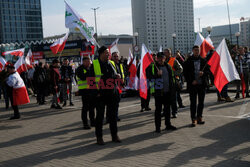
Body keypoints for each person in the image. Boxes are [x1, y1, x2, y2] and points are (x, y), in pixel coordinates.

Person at [93, 46, 121, 145]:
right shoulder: (95, 64)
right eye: (106, 52)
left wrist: (118, 76)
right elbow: (91, 80)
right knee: (100, 117)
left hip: (112, 94)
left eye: (108, 52)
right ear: (100, 54)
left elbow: (115, 75)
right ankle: (99, 137)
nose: (108, 54)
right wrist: (96, 93)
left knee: (113, 116)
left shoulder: (112, 63)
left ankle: (114, 135)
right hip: (100, 95)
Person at [183, 45, 209, 127]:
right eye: (195, 50)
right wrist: (191, 81)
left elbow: (208, 71)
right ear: (192, 51)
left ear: (200, 51)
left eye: (198, 50)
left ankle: (199, 117)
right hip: (192, 85)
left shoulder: (203, 60)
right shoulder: (188, 61)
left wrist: (203, 73)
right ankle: (193, 119)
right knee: (193, 103)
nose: (196, 51)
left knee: (201, 102)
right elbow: (185, 73)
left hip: (201, 85)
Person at [153, 52, 177, 133]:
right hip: (159, 93)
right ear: (156, 59)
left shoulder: (168, 66)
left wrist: (173, 89)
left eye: (162, 58)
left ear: (164, 58)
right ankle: (158, 127)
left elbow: (172, 78)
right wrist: (157, 75)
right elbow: (149, 78)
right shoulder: (153, 67)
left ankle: (168, 124)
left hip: (168, 92)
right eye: (159, 58)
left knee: (167, 110)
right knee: (158, 111)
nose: (160, 59)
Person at [76, 56, 96, 129]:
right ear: (83, 62)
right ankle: (85, 123)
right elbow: (83, 77)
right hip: (84, 91)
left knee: (92, 107)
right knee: (85, 107)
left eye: (89, 61)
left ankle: (92, 121)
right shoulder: (79, 69)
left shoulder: (91, 68)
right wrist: (89, 71)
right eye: (87, 61)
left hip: (91, 90)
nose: (89, 63)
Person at [164, 48, 183, 117]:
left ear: (170, 53)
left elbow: (180, 69)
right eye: (164, 53)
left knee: (173, 98)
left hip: (173, 82)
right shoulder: (162, 61)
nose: (165, 54)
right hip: (165, 83)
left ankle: (174, 112)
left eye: (167, 53)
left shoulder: (174, 60)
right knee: (165, 99)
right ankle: (165, 111)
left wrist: (173, 73)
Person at [109, 51, 125, 121]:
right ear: (111, 57)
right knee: (111, 103)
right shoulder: (110, 64)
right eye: (114, 56)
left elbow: (123, 74)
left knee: (117, 102)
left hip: (119, 86)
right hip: (112, 86)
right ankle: (109, 118)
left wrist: (123, 82)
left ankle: (115, 116)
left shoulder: (120, 64)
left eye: (117, 56)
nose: (116, 58)